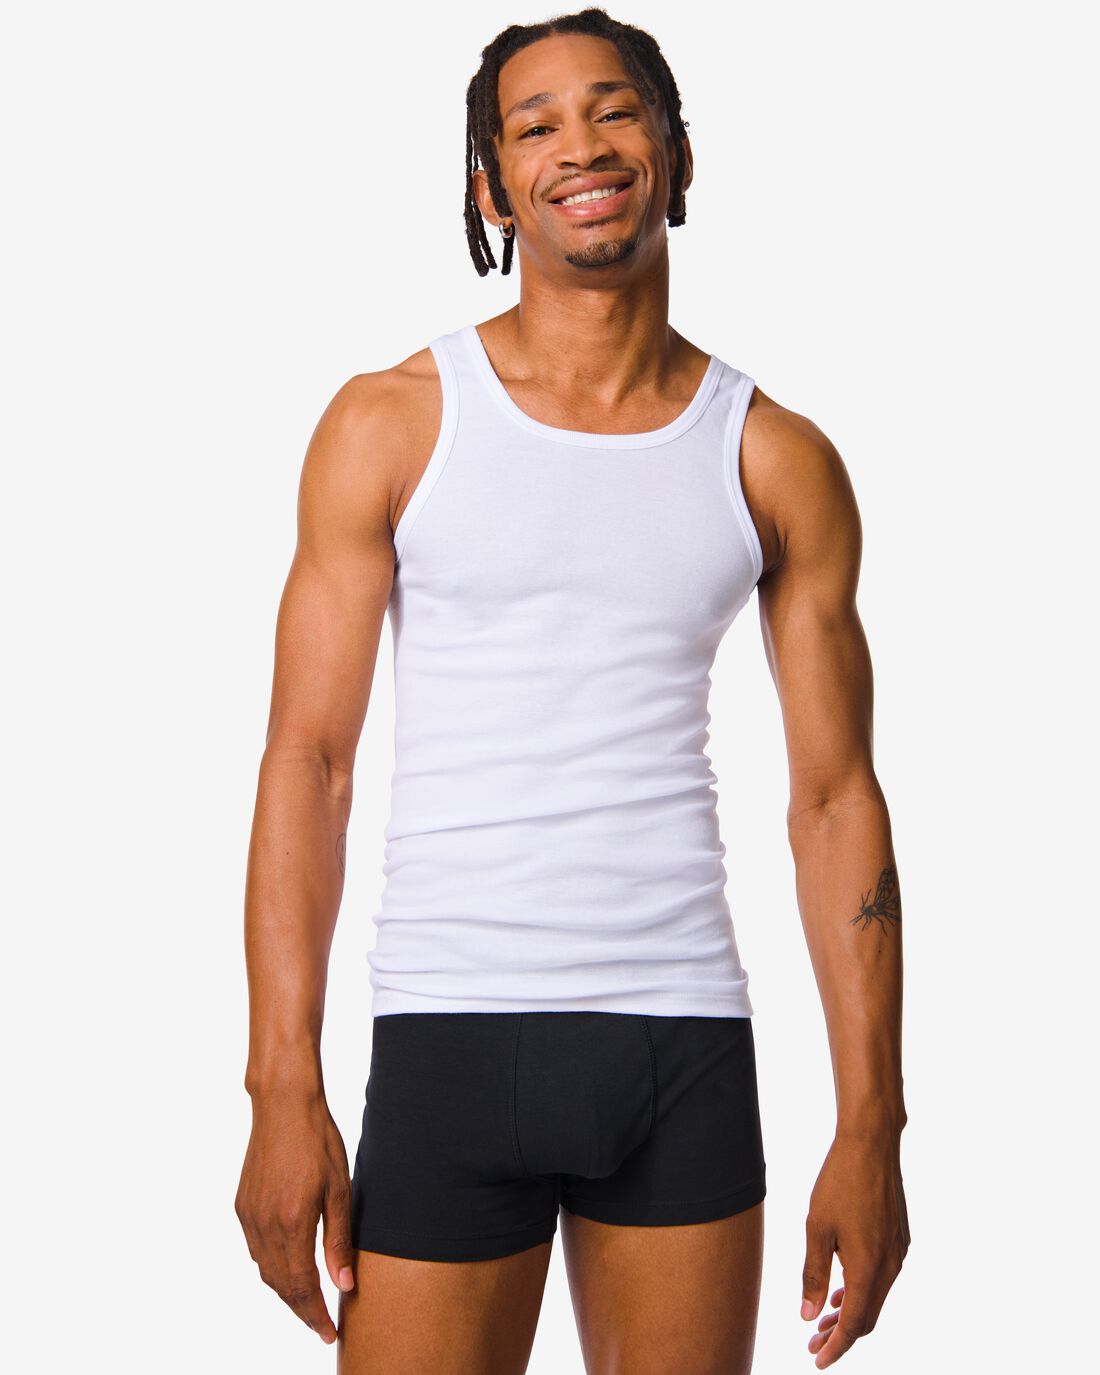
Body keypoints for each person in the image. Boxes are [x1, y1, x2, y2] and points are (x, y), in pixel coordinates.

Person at [234, 8, 910, 1373]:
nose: (580, 147)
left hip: (684, 1043)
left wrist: (871, 1125)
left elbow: (835, 797)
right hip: (449, 1032)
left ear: (676, 153)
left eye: (612, 111)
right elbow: (310, 763)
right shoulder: (393, 421)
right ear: (493, 187)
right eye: (534, 126)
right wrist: (280, 1087)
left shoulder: (774, 456)